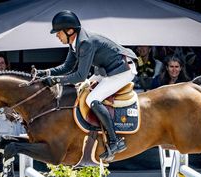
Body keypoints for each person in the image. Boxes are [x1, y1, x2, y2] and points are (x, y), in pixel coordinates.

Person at [36, 10, 138, 159]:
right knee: (84, 90)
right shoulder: (75, 42)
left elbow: (80, 76)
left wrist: (56, 80)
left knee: (92, 99)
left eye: (58, 32)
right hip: (107, 70)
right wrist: (46, 73)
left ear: (69, 31)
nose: (57, 36)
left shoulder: (85, 43)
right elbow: (66, 67)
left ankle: (115, 140)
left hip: (122, 70)